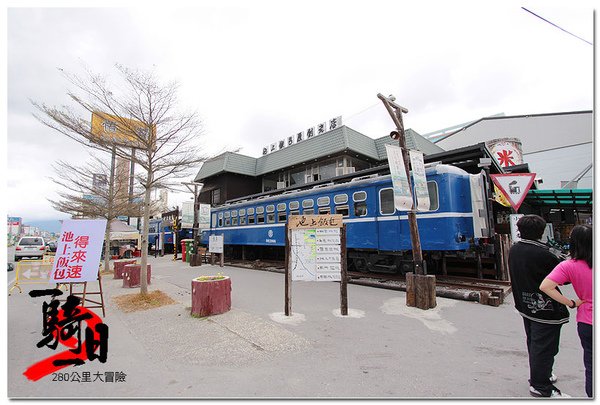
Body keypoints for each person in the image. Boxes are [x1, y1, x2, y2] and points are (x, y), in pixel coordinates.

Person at [508, 214, 570, 398]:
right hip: (546, 307)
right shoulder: (545, 252)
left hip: (524, 305)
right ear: (542, 231)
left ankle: (542, 374)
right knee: (544, 346)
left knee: (535, 342)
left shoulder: (515, 249)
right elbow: (565, 276)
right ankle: (541, 385)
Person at [540, 224, 593, 398]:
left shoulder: (568, 266)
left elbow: (546, 286)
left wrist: (571, 302)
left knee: (592, 367)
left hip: (588, 322)